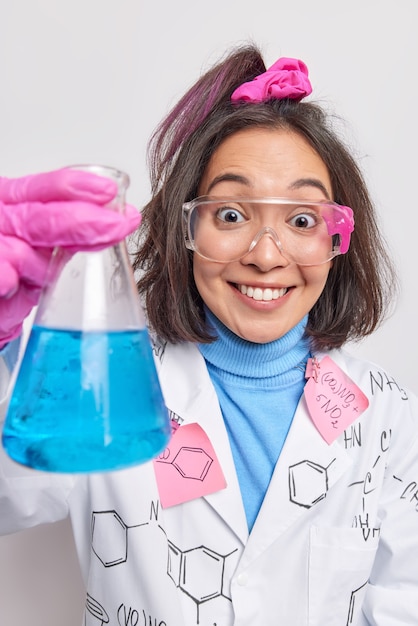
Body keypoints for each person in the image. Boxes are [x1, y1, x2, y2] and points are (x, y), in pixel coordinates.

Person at [0, 44, 417, 626]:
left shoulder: (391, 418)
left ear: (337, 239)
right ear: (185, 226)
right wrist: (10, 351)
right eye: (230, 215)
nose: (266, 256)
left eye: (301, 220)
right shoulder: (104, 379)